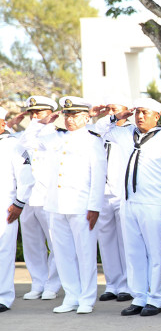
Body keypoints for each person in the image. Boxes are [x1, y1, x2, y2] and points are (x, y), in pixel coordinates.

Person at [20, 97, 107, 314]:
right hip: (56, 205)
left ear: (87, 117)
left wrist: (95, 207)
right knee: (63, 253)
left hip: (81, 206)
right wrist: (43, 121)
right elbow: (27, 141)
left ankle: (86, 298)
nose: (70, 119)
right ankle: (71, 295)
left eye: (75, 115)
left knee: (85, 254)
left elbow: (98, 176)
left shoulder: (93, 141)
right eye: (67, 114)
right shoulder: (55, 138)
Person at [96, 98, 161, 317]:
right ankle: (139, 297)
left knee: (153, 252)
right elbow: (99, 130)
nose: (140, 116)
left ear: (156, 116)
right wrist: (118, 116)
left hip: (153, 204)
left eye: (145, 113)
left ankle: (155, 299)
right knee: (133, 252)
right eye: (137, 113)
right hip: (128, 202)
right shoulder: (126, 134)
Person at [16, 96, 62, 301]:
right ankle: (38, 282)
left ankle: (53, 284)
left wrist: (43, 125)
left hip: (48, 196)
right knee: (32, 244)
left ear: (51, 112)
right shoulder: (26, 135)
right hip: (26, 196)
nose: (35, 117)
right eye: (31, 113)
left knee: (55, 242)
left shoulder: (57, 136)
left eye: (39, 112)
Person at [94, 98, 133, 303]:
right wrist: (109, 116)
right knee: (106, 241)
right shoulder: (101, 131)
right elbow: (99, 125)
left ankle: (128, 284)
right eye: (109, 109)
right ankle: (112, 284)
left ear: (127, 111)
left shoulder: (132, 131)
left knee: (125, 241)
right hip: (103, 192)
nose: (111, 112)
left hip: (123, 192)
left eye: (116, 109)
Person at [0, 107, 34, 313]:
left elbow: (26, 175)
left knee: (4, 251)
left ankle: (3, 296)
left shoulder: (14, 145)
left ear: (2, 123)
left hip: (5, 205)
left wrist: (20, 203)